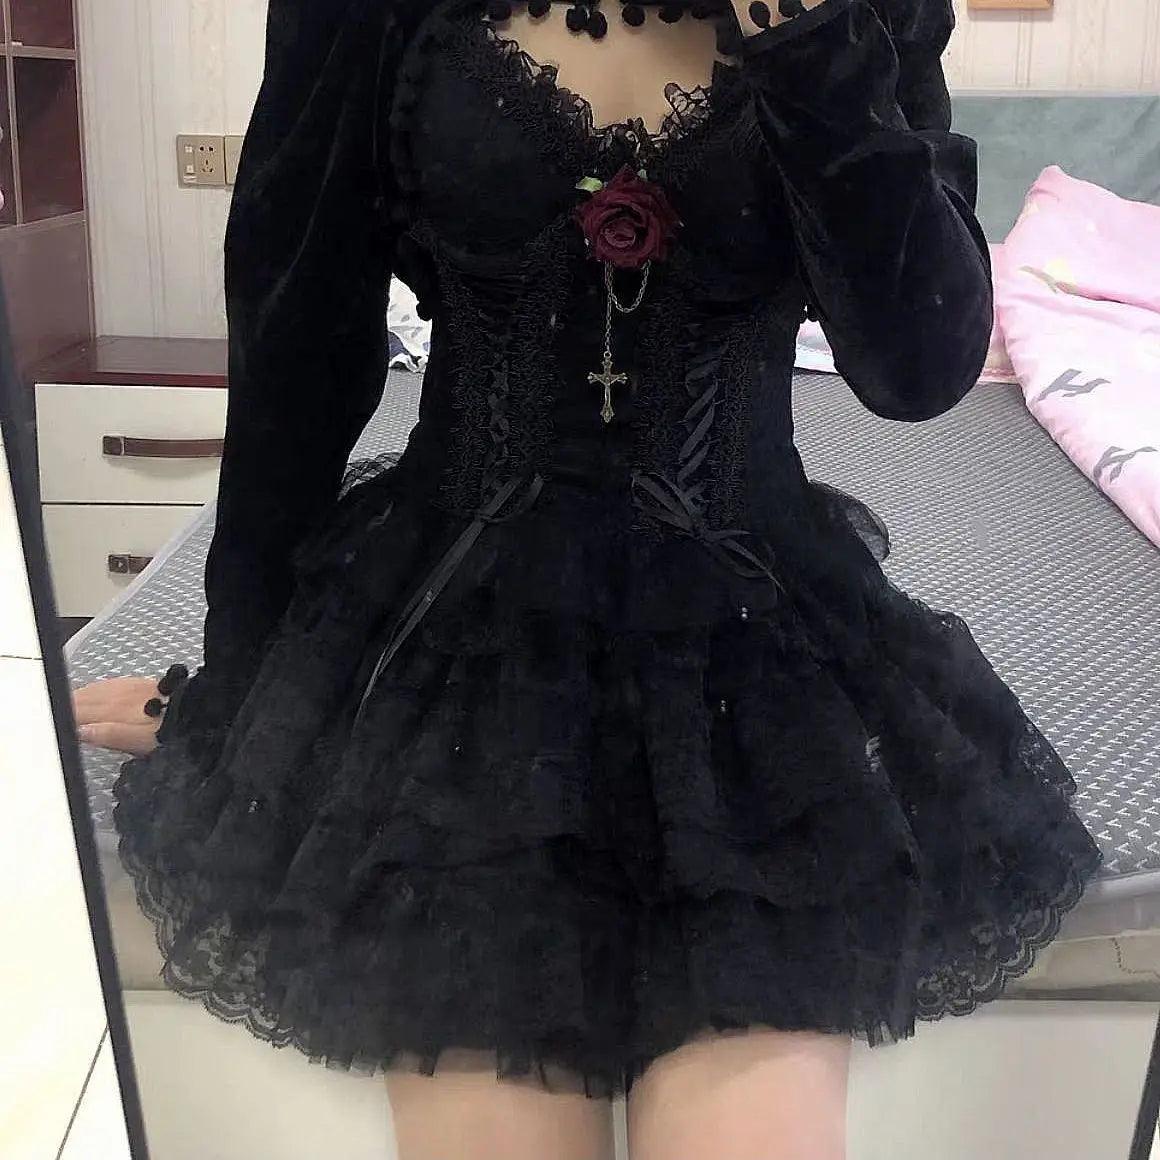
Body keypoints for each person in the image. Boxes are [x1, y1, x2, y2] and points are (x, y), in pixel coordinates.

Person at [73, 1, 1103, 1157]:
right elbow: (297, 351)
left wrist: (814, 47)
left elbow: (917, 368)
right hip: (450, 656)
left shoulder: (860, 15)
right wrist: (240, 697)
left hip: (754, 662)